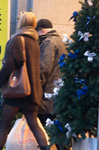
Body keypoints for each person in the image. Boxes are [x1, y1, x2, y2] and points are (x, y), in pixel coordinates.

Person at [0, 12, 48, 150]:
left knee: (4, 124)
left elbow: (10, 64)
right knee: (34, 125)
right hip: (32, 91)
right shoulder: (35, 41)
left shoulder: (18, 39)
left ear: (21, 22)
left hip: (17, 91)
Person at [35, 19, 68, 150]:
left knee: (49, 128)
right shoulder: (60, 40)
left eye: (37, 32)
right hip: (58, 92)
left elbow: (44, 68)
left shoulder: (49, 42)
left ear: (41, 30)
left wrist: (35, 87)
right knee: (57, 131)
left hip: (48, 94)